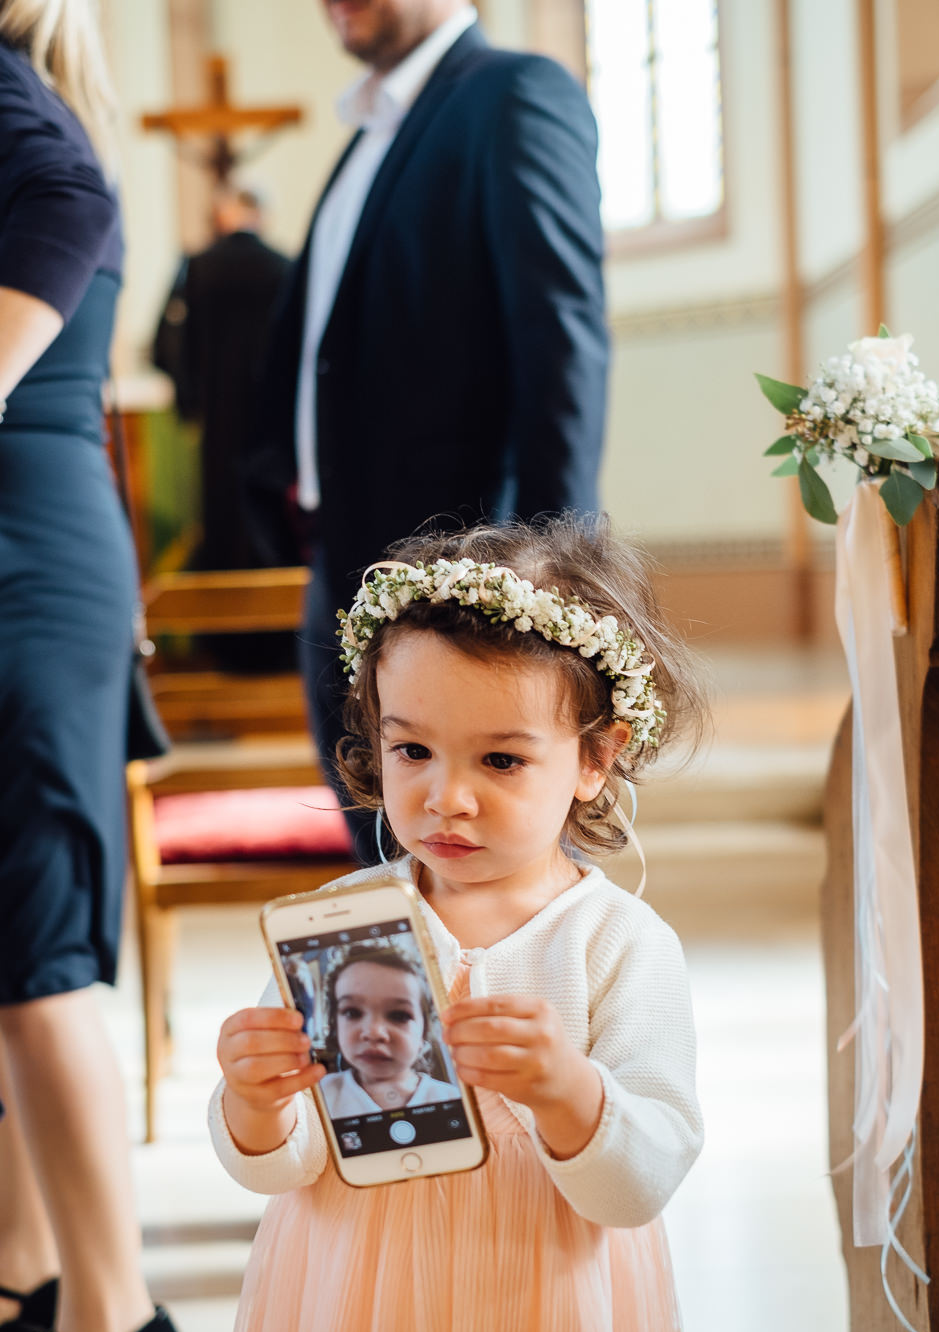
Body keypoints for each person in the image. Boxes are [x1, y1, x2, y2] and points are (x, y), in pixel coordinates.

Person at [211, 514, 706, 1332]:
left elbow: (643, 1180)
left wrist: (568, 1094)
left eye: (502, 759)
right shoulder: (345, 921)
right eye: (413, 751)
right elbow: (290, 1162)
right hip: (360, 1302)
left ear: (597, 757)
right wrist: (253, 1102)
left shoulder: (616, 944)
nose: (446, 796)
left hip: (543, 1307)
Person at [267, 0, 609, 861]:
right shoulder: (371, 134)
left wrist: (543, 590)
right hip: (344, 563)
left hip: (464, 580)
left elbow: (560, 346)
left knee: (481, 875)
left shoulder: (513, 94)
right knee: (387, 869)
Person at [0, 2, 180, 1332]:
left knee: (38, 939)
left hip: (23, 559)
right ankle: (25, 1263)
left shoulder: (18, 110)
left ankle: (114, 1321)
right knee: (15, 935)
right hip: (38, 541)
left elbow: (68, 202)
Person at [152, 184, 296, 579]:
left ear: (222, 215)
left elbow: (166, 345)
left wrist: (189, 400)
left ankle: (224, 639)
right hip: (273, 425)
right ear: (260, 216)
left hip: (217, 422)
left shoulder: (198, 267)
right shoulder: (285, 266)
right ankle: (275, 636)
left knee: (221, 513)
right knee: (267, 518)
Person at [319, 942, 459, 1116]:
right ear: (334, 1023)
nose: (374, 1033)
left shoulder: (451, 1099)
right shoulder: (319, 1097)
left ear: (425, 1029)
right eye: (352, 1012)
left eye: (399, 1015)